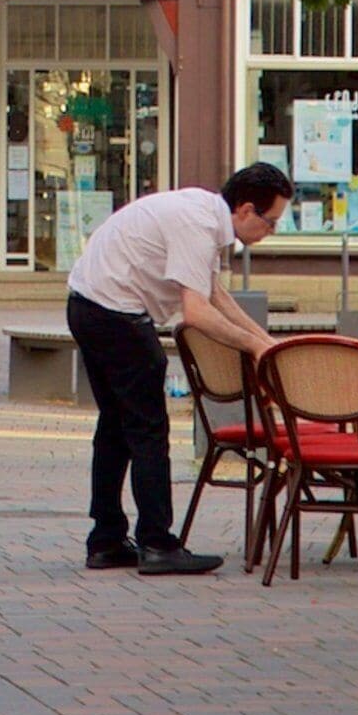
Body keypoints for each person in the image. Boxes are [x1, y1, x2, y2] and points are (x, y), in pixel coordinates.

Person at [62, 161, 292, 575]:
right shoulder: (199, 226)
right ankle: (157, 543)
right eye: (270, 222)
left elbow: (214, 293)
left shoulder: (203, 213)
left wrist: (266, 342)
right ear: (245, 209)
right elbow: (196, 313)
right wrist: (256, 346)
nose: (271, 231)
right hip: (116, 313)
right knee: (148, 429)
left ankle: (107, 540)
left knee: (115, 425)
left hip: (86, 303)